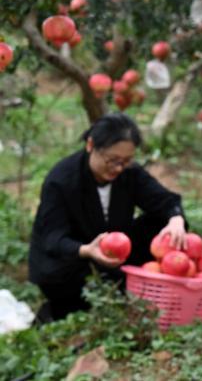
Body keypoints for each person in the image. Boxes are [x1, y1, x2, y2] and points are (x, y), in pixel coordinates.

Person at [28, 113, 187, 322]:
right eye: (112, 160)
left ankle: (128, 285)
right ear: (91, 145)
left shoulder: (129, 173)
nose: (119, 168)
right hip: (75, 259)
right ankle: (62, 310)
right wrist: (87, 250)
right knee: (63, 276)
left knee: (166, 223)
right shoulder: (62, 180)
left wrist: (176, 220)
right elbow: (53, 238)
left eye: (126, 161)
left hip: (113, 255)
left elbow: (165, 201)